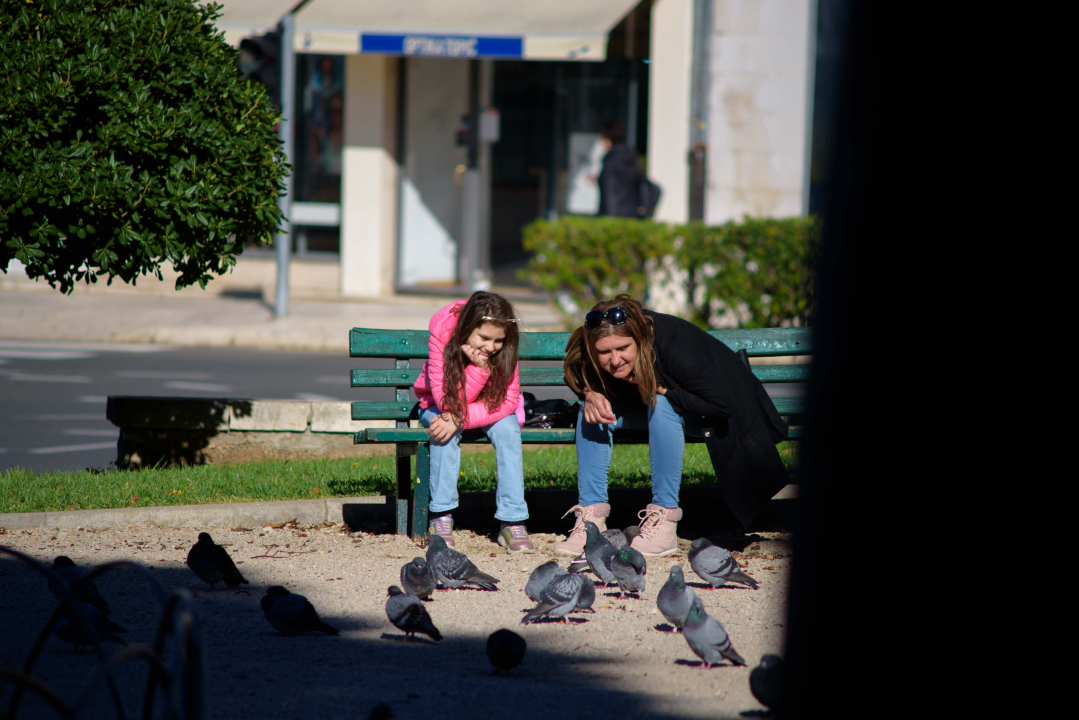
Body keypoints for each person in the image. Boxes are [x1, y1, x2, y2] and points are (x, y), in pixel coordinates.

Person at [554, 295, 790, 557]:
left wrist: (661, 388)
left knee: (662, 403)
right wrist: (590, 392)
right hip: (652, 409)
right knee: (592, 411)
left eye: (623, 348)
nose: (615, 359)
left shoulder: (672, 341)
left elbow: (722, 405)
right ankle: (591, 521)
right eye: (604, 352)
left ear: (639, 339)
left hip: (710, 413)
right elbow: (574, 368)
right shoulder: (589, 340)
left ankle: (664, 521)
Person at [413, 292, 533, 553]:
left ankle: (512, 520)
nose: (491, 347)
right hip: (438, 404)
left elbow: (508, 401)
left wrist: (460, 417)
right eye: (484, 338)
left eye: (498, 340)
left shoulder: (505, 349)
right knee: (443, 428)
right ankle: (441, 516)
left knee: (509, 430)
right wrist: (478, 369)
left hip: (486, 406)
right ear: (468, 328)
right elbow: (446, 403)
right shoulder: (443, 336)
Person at [597, 120, 642, 218]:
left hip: (615, 217)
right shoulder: (632, 157)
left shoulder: (611, 160)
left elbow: (610, 192)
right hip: (633, 216)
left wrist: (609, 221)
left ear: (608, 139)